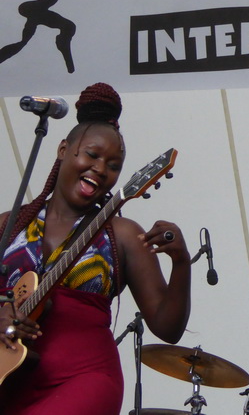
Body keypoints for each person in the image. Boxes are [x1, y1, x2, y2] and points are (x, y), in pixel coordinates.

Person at [0, 83, 191, 415]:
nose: (101, 169)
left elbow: (167, 327)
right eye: (92, 155)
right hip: (9, 379)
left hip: (85, 379)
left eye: (114, 165)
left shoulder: (124, 235)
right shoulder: (10, 224)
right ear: (63, 149)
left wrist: (181, 262)